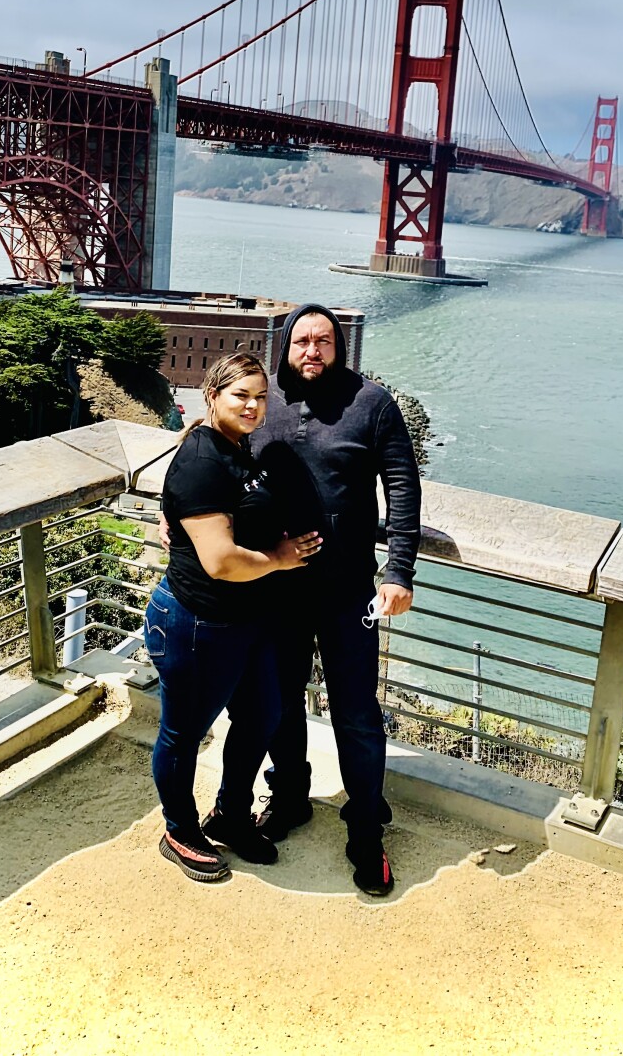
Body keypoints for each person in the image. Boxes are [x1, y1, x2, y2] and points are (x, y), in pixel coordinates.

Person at [251, 302, 420, 897]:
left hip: (350, 591)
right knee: (279, 701)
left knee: (356, 712)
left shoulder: (371, 402)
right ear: (286, 346)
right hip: (276, 585)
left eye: (324, 341)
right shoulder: (261, 398)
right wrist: (181, 515)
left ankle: (366, 825)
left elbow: (402, 483)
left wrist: (398, 569)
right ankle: (291, 796)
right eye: (302, 341)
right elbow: (215, 455)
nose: (312, 351)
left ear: (340, 348)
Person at [145, 351, 322, 883]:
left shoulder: (235, 446)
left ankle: (229, 814)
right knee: (184, 732)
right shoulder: (202, 459)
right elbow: (220, 561)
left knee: (261, 717)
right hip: (199, 621)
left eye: (260, 396)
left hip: (249, 620)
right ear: (212, 396)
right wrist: (282, 558)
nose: (252, 405)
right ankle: (179, 829)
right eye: (240, 394)